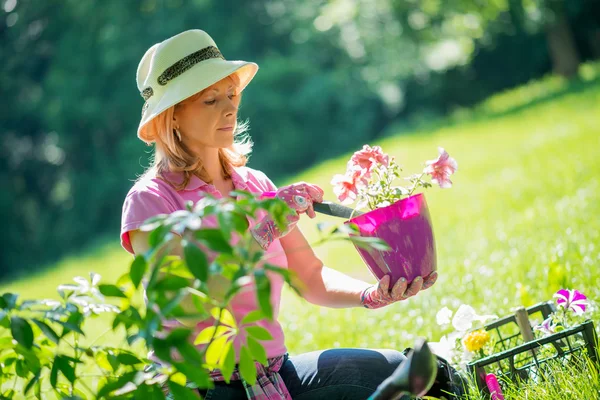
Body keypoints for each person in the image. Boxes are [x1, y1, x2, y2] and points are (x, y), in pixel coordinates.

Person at [121, 29, 438, 400]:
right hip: (198, 387)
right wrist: (261, 234)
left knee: (386, 370)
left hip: (271, 373)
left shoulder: (254, 184)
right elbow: (187, 305)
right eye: (210, 100)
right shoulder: (150, 201)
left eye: (231, 94)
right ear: (172, 117)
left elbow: (310, 277)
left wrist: (372, 294)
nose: (229, 107)